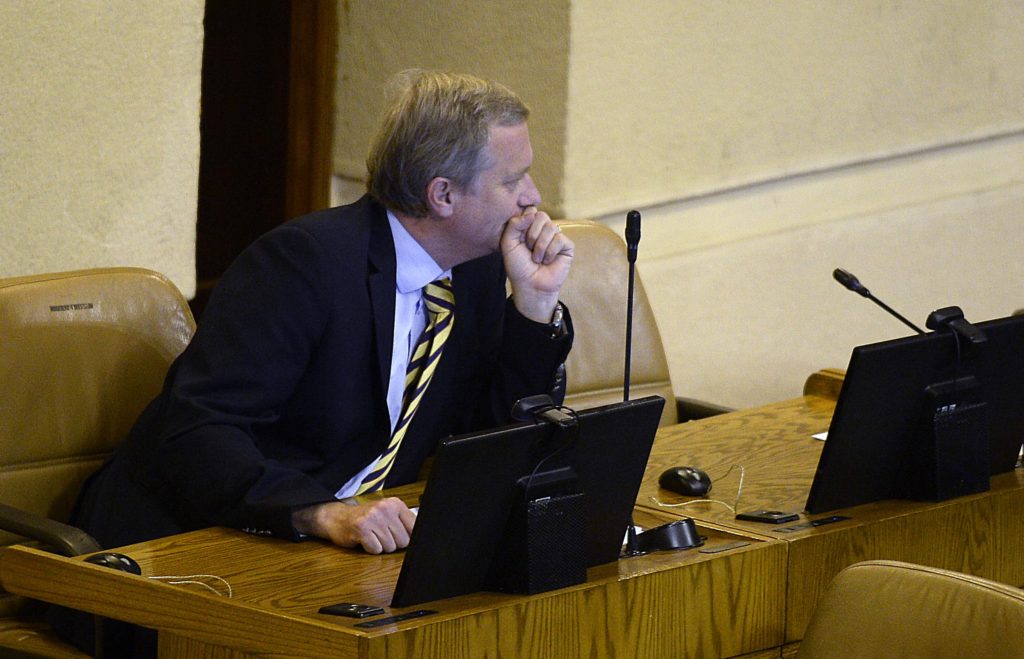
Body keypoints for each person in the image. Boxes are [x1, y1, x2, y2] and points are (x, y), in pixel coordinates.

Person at [54, 69, 575, 655]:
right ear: (443, 195)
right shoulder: (304, 263)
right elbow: (195, 431)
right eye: (513, 180)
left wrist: (534, 307)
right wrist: (319, 513)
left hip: (341, 561)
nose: (533, 197)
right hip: (186, 547)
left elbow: (491, 439)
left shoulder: (475, 271)